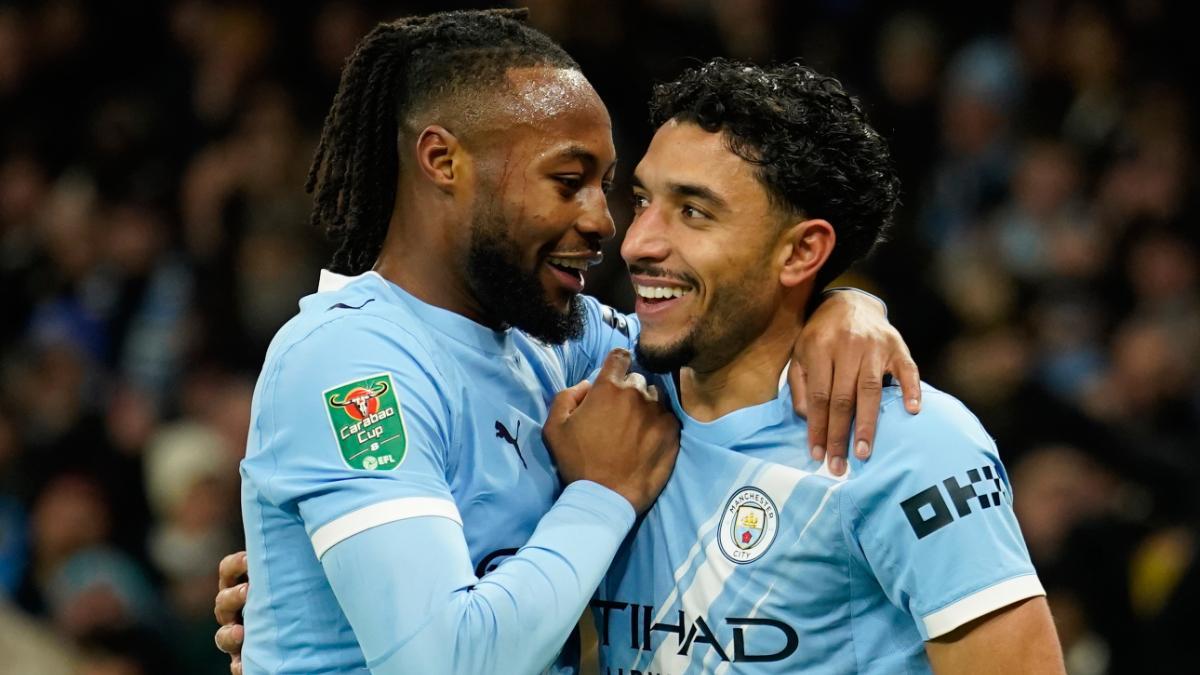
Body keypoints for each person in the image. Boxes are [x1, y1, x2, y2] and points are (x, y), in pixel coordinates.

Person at [222, 10, 919, 675]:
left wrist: (842, 305)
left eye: (608, 187)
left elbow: (723, 346)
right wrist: (603, 492)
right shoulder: (351, 359)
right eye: (567, 181)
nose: (603, 221)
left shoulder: (557, 337)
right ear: (443, 160)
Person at [589, 59, 1064, 673]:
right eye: (642, 200)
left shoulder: (912, 445)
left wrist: (852, 300)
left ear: (803, 251)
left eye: (694, 212)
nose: (636, 242)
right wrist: (851, 301)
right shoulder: (607, 381)